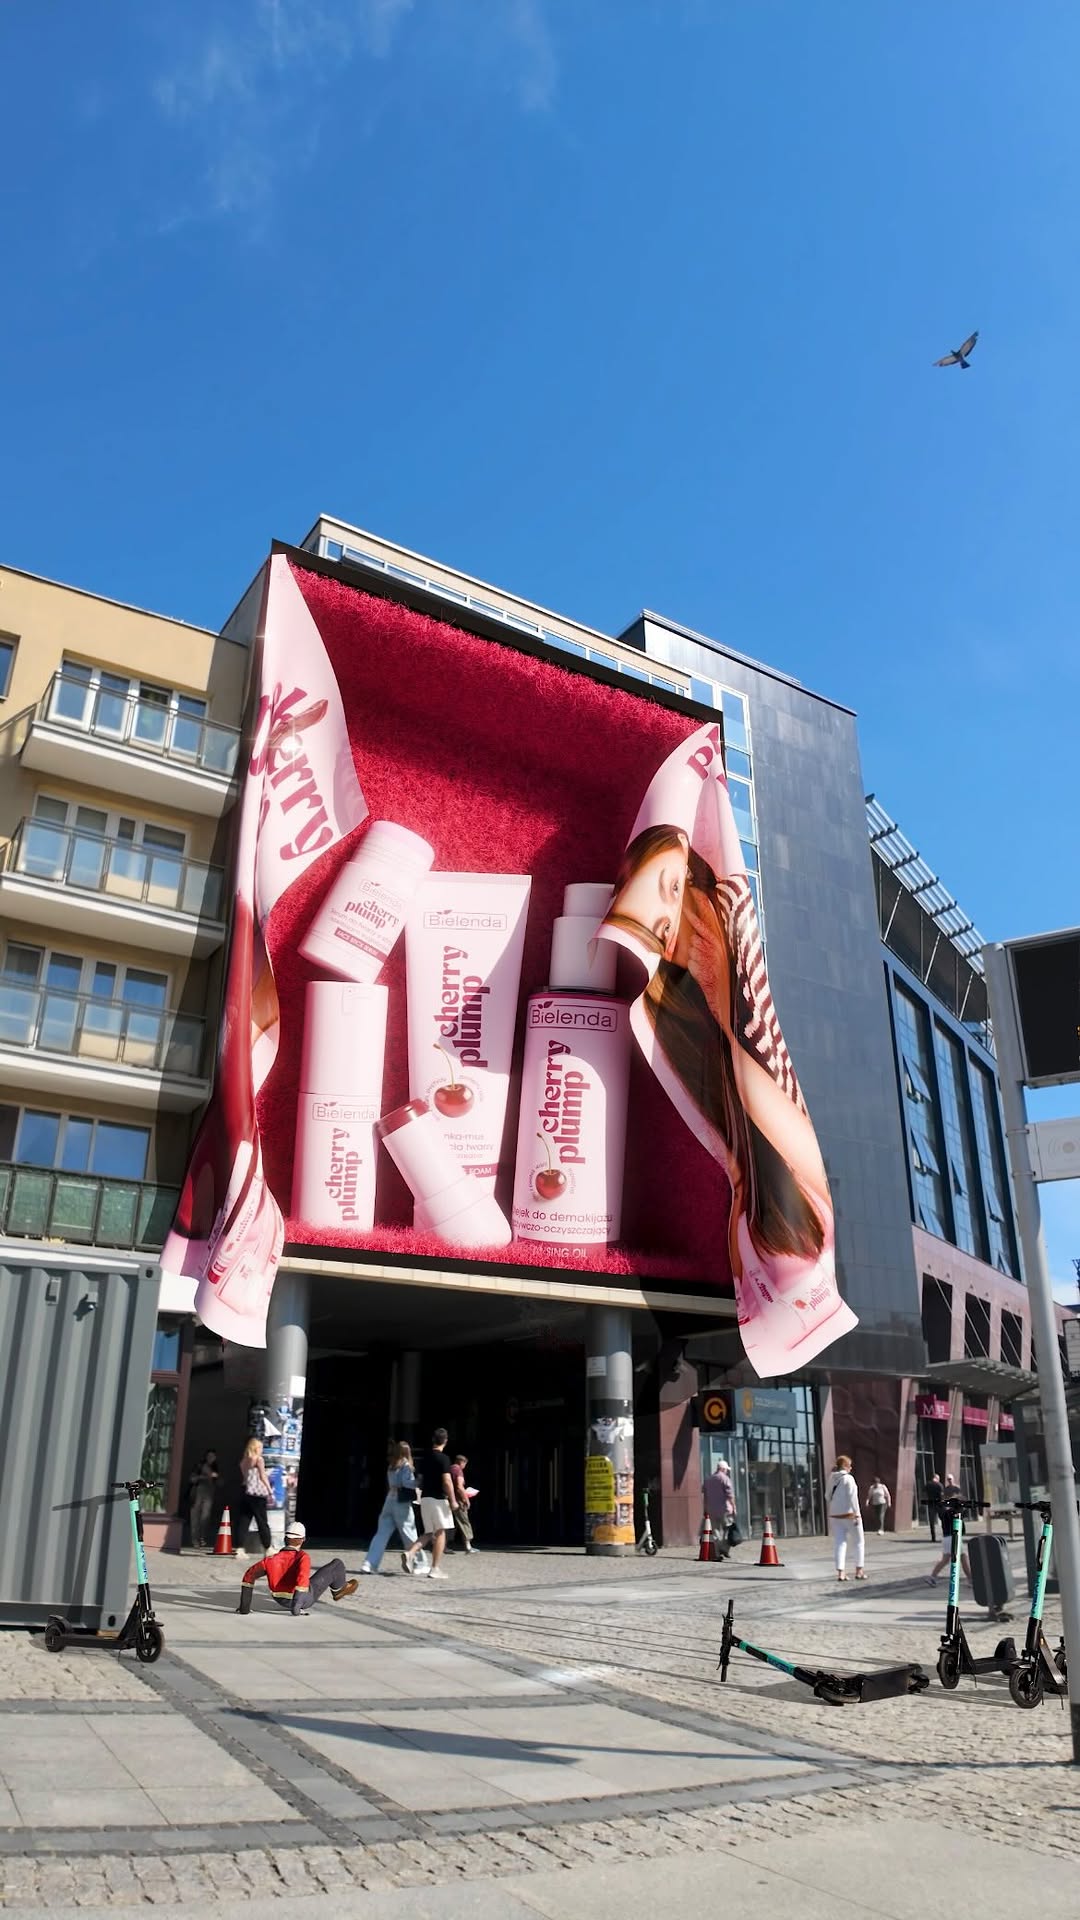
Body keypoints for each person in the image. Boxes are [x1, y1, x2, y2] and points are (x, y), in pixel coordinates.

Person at [605, 829, 833, 1331]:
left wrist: (726, 1005)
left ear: (695, 875)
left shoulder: (739, 934)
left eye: (672, 887)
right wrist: (721, 1008)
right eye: (661, 930)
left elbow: (805, 1163)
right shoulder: (680, 1033)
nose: (676, 919)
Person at [235, 1521, 358, 1614]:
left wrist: (244, 1607)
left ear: (285, 1539)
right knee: (337, 1564)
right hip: (303, 1600)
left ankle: (337, 1590)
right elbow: (302, 1579)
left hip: (280, 1599)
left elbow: (249, 1575)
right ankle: (339, 1589)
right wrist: (296, 1608)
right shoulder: (302, 1557)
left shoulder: (270, 1560)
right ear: (302, 1540)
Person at [361, 1441, 421, 1575]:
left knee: (381, 1534)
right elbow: (407, 1483)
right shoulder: (406, 1466)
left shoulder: (392, 1465)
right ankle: (419, 1562)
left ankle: (369, 1563)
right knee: (409, 1532)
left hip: (389, 1499)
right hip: (401, 1501)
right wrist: (418, 1482)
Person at [406, 1427, 458, 1580]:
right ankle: (435, 1568)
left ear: (433, 1440)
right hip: (438, 1499)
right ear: (445, 1441)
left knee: (428, 1532)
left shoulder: (425, 1458)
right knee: (441, 1532)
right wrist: (453, 1500)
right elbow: (447, 1481)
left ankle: (410, 1553)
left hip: (425, 1498)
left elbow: (420, 1480)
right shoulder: (444, 1459)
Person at [827, 1454, 867, 1581]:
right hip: (850, 1514)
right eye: (849, 1465)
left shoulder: (831, 1478)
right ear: (845, 1466)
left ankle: (841, 1573)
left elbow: (827, 1496)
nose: (851, 1468)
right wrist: (857, 1514)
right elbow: (853, 1498)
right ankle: (859, 1571)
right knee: (859, 1541)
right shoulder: (849, 1479)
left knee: (840, 1542)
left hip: (834, 1515)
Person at [927, 1477, 971, 1585]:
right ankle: (971, 1579)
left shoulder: (945, 1511)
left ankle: (932, 1577)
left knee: (946, 1559)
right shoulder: (955, 1513)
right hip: (953, 1537)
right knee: (963, 1557)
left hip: (946, 1538)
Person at [235, 1437, 273, 1558]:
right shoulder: (259, 1459)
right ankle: (268, 1547)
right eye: (260, 1447)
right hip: (257, 1494)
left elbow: (245, 1477)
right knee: (262, 1521)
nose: (261, 1450)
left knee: (244, 1520)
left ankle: (239, 1549)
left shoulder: (244, 1461)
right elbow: (262, 1476)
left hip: (245, 1491)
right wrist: (269, 1490)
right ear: (256, 1448)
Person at [188, 1450, 220, 1550]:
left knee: (205, 1517)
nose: (211, 1458)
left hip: (209, 1494)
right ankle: (195, 1540)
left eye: (213, 1456)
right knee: (195, 1517)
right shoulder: (199, 1466)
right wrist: (206, 1477)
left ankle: (202, 1537)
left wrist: (217, 1478)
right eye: (209, 1456)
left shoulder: (215, 1467)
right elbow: (192, 1479)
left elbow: (219, 1482)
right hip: (198, 1492)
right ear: (206, 1456)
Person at [703, 1460, 736, 1552]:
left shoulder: (708, 1480)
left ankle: (717, 1552)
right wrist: (734, 1507)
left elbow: (705, 1496)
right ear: (723, 1469)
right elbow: (730, 1495)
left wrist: (705, 1509)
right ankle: (724, 1548)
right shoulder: (725, 1479)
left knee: (715, 1531)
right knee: (727, 1529)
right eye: (726, 1470)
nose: (727, 1472)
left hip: (712, 1510)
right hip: (725, 1509)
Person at [450, 1455, 476, 1553]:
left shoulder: (449, 1469)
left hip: (449, 1499)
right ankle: (468, 1545)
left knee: (450, 1523)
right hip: (458, 1500)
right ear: (462, 1462)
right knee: (464, 1521)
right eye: (465, 1464)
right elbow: (459, 1487)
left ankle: (445, 1544)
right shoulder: (458, 1470)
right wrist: (466, 1499)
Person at [924, 1472, 944, 1542]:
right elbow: (941, 1496)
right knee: (943, 1520)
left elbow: (925, 1493)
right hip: (939, 1505)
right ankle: (945, 1535)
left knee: (931, 1522)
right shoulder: (939, 1485)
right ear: (937, 1478)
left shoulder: (928, 1485)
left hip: (931, 1504)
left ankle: (933, 1537)